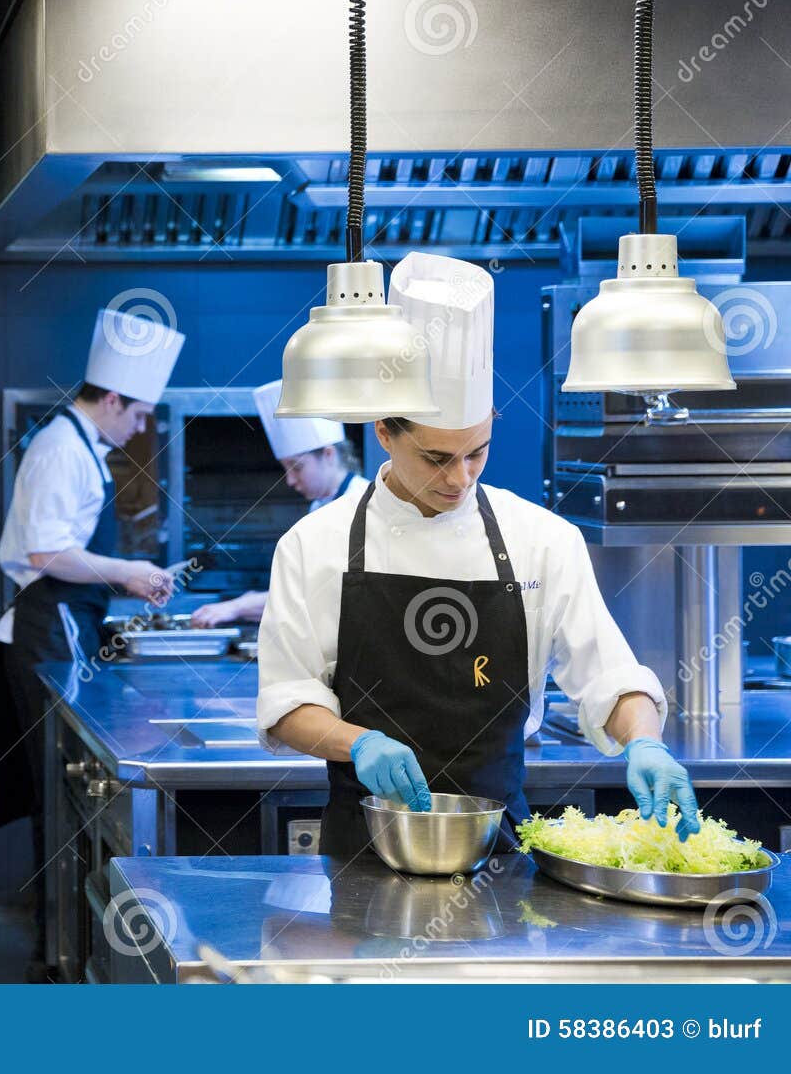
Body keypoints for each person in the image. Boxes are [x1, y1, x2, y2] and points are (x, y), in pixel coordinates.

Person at [256, 251, 700, 858]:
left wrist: (645, 741)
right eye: (437, 458)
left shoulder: (542, 538)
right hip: (366, 848)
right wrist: (357, 741)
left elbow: (609, 677)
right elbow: (285, 702)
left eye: (477, 452)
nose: (460, 478)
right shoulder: (314, 545)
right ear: (384, 431)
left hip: (502, 853)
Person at [0, 307, 184, 980]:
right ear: (114, 397)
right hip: (41, 631)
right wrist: (125, 571)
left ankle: (67, 939)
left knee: (63, 795)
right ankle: (58, 948)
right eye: (140, 411)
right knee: (56, 795)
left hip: (59, 627)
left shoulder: (79, 445)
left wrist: (127, 586)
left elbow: (64, 553)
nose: (143, 425)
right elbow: (45, 551)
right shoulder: (61, 447)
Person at [189, 380, 368, 628]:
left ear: (328, 455)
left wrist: (239, 606)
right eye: (286, 469)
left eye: (297, 467)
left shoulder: (361, 504)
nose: (291, 480)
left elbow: (323, 595)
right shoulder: (319, 507)